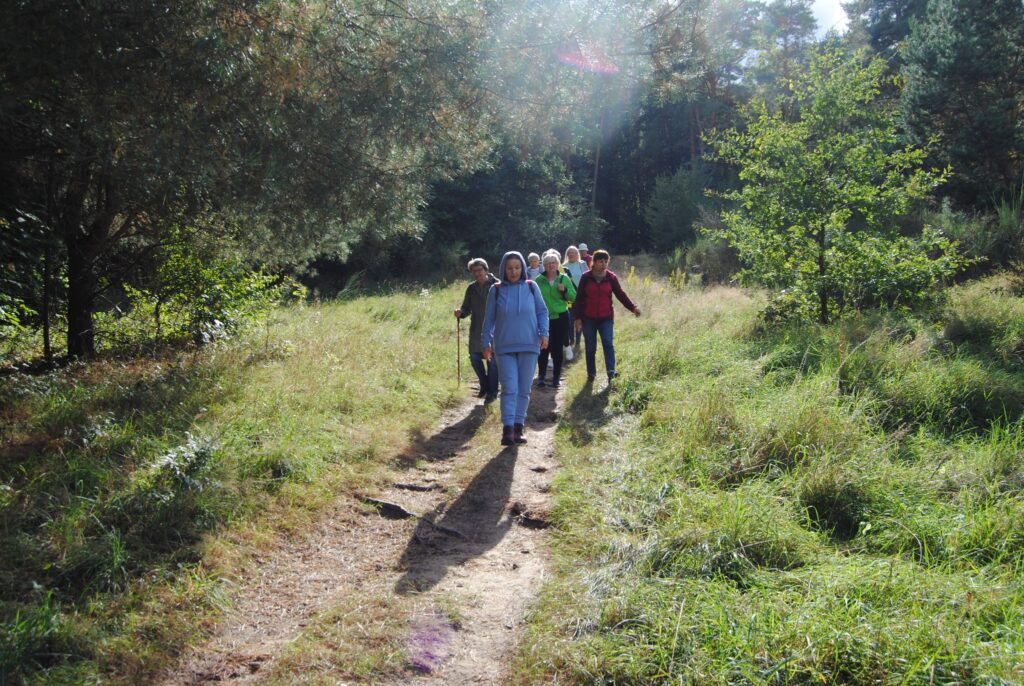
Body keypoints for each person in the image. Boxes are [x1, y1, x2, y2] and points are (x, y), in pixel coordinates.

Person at [482, 251, 550, 446]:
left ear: (523, 269)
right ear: (504, 269)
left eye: (517, 268)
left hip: (529, 345)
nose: (513, 272)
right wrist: (485, 342)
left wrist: (544, 333)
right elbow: (489, 319)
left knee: (524, 389)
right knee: (509, 388)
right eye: (510, 268)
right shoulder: (496, 289)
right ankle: (507, 429)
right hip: (504, 346)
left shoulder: (531, 287)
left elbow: (542, 311)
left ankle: (519, 427)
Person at [573, 249, 641, 383]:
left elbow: (620, 294)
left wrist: (633, 307)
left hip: (606, 317)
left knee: (608, 342)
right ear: (594, 262)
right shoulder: (586, 277)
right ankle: (591, 374)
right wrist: (577, 318)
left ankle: (611, 371)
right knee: (590, 346)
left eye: (606, 261)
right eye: (600, 261)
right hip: (588, 318)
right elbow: (579, 299)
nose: (603, 264)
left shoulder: (611, 277)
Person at [454, 258, 499, 402]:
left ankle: (492, 392)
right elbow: (466, 308)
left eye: (479, 270)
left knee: (492, 361)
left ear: (486, 269)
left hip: (495, 330)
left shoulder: (497, 285)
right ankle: (484, 384)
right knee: (474, 358)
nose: (477, 273)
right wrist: (461, 312)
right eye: (474, 271)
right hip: (476, 329)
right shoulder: (471, 288)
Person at [535, 250, 576, 388]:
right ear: (544, 265)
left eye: (554, 263)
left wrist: (564, 290)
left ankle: (556, 377)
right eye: (548, 263)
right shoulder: (538, 281)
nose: (551, 265)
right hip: (543, 319)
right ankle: (541, 376)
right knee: (543, 347)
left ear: (558, 264)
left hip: (561, 317)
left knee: (557, 348)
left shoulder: (564, 278)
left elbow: (573, 297)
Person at [562, 245, 586, 347]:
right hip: (568, 297)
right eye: (569, 253)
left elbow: (588, 277)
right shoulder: (562, 267)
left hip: (582, 297)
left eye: (574, 253)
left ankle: (578, 340)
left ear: (578, 254)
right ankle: (571, 339)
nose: (571, 254)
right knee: (570, 319)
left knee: (580, 317)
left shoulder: (582, 264)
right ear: (567, 255)